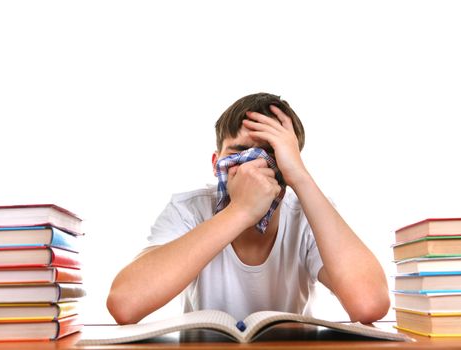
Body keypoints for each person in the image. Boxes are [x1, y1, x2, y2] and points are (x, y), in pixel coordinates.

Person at [106, 92, 390, 325]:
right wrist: (239, 212)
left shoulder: (307, 216)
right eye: (238, 153)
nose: (254, 166)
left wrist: (300, 179)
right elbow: (124, 304)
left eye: (270, 154)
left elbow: (369, 304)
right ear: (216, 162)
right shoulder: (188, 210)